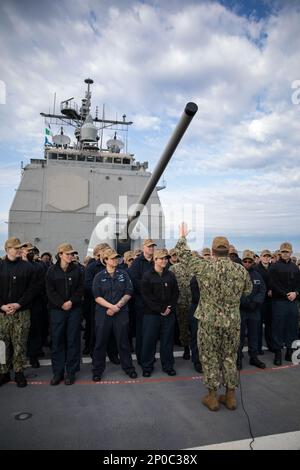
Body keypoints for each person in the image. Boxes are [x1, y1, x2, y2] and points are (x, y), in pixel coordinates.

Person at [175, 223, 252, 412]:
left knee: (209, 358)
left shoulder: (204, 267)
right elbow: (248, 291)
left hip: (209, 322)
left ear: (212, 251)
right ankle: (231, 396)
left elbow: (183, 255)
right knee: (229, 357)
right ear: (228, 250)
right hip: (232, 322)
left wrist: (183, 237)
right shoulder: (240, 270)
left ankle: (212, 397)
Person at [92, 248, 137, 381]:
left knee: (123, 342)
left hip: (121, 313)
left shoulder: (123, 274)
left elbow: (129, 292)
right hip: (103, 313)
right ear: (105, 260)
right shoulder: (99, 276)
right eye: (112, 258)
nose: (115, 260)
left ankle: (129, 368)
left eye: (116, 257)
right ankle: (97, 370)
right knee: (100, 342)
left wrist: (117, 306)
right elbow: (97, 296)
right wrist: (111, 307)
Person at [46, 243, 84, 385]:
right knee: (57, 341)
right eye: (67, 254)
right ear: (60, 254)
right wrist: (61, 303)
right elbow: (50, 291)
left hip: (74, 309)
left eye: (72, 254)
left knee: (73, 340)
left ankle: (71, 372)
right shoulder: (51, 271)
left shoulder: (78, 270)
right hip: (57, 310)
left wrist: (71, 302)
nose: (70, 256)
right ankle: (58, 372)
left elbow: (81, 289)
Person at [0, 238, 35, 387]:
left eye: (20, 248)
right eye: (16, 248)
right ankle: (4, 372)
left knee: (19, 343)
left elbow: (32, 289)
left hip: (21, 312)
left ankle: (19, 372)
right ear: (8, 249)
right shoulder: (0, 265)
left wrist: (18, 304)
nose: (19, 250)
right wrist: (2, 306)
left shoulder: (27, 267)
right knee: (2, 344)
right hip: (2, 313)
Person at [141, 249, 179, 377]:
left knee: (167, 342)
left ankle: (168, 366)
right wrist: (161, 309)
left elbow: (175, 293)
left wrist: (169, 307)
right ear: (155, 260)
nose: (164, 261)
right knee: (149, 341)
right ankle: (147, 366)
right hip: (151, 315)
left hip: (168, 314)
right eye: (161, 258)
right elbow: (146, 297)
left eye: (166, 258)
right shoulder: (147, 276)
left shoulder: (170, 275)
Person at [269, 242, 300, 366]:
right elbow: (272, 284)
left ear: (291, 252)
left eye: (287, 252)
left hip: (292, 302)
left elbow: (299, 284)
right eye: (283, 252)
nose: (285, 254)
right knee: (277, 327)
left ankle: (289, 351)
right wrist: (286, 294)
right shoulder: (274, 267)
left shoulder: (295, 267)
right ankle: (278, 353)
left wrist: (296, 293)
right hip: (279, 302)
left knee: (291, 327)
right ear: (280, 253)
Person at [128, 239, 156, 364]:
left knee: (152, 333)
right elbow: (134, 281)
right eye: (149, 246)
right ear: (143, 247)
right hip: (142, 303)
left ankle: (150, 356)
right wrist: (149, 291)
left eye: (152, 246)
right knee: (141, 333)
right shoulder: (137, 263)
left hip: (154, 304)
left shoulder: (156, 261)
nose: (151, 248)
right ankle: (141, 357)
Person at [20, 242, 47, 368]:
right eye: (27, 250)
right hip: (18, 305)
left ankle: (33, 355)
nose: (30, 252)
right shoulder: (14, 265)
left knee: (35, 329)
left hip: (35, 302)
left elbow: (40, 285)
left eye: (31, 250)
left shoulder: (38, 266)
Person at [238, 250, 266, 370]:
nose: (248, 263)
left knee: (254, 335)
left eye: (250, 261)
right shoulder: (237, 274)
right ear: (242, 261)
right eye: (245, 261)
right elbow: (234, 291)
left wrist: (255, 302)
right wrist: (245, 302)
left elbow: (262, 290)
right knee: (239, 336)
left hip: (254, 310)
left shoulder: (257, 274)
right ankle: (237, 358)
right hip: (241, 310)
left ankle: (253, 357)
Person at [255, 249, 273, 353]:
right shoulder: (256, 268)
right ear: (261, 257)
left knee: (269, 325)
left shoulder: (273, 267)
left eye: (268, 256)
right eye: (264, 256)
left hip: (270, 300)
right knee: (258, 325)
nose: (266, 258)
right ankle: (258, 347)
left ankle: (270, 345)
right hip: (260, 301)